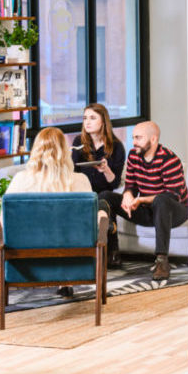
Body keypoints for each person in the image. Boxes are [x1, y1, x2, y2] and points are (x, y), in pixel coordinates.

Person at [10, 127, 101, 296]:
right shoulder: (80, 181)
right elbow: (90, 224)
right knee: (97, 215)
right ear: (64, 151)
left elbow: (5, 221)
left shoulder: (20, 180)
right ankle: (64, 281)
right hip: (72, 253)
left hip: (27, 254)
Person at [120, 121, 188, 280]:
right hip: (149, 210)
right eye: (133, 138)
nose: (134, 142)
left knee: (161, 200)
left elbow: (172, 195)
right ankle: (112, 254)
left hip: (176, 212)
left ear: (153, 139)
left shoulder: (169, 159)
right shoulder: (133, 155)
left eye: (138, 138)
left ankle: (161, 261)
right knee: (105, 197)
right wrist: (128, 195)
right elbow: (130, 184)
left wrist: (141, 199)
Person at [72, 103, 128, 261]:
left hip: (105, 192)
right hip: (83, 190)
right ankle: (109, 250)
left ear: (103, 121)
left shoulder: (116, 147)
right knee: (94, 199)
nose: (87, 122)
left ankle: (110, 251)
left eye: (92, 118)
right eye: (85, 118)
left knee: (104, 197)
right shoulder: (78, 142)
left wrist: (106, 170)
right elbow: (73, 171)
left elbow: (115, 183)